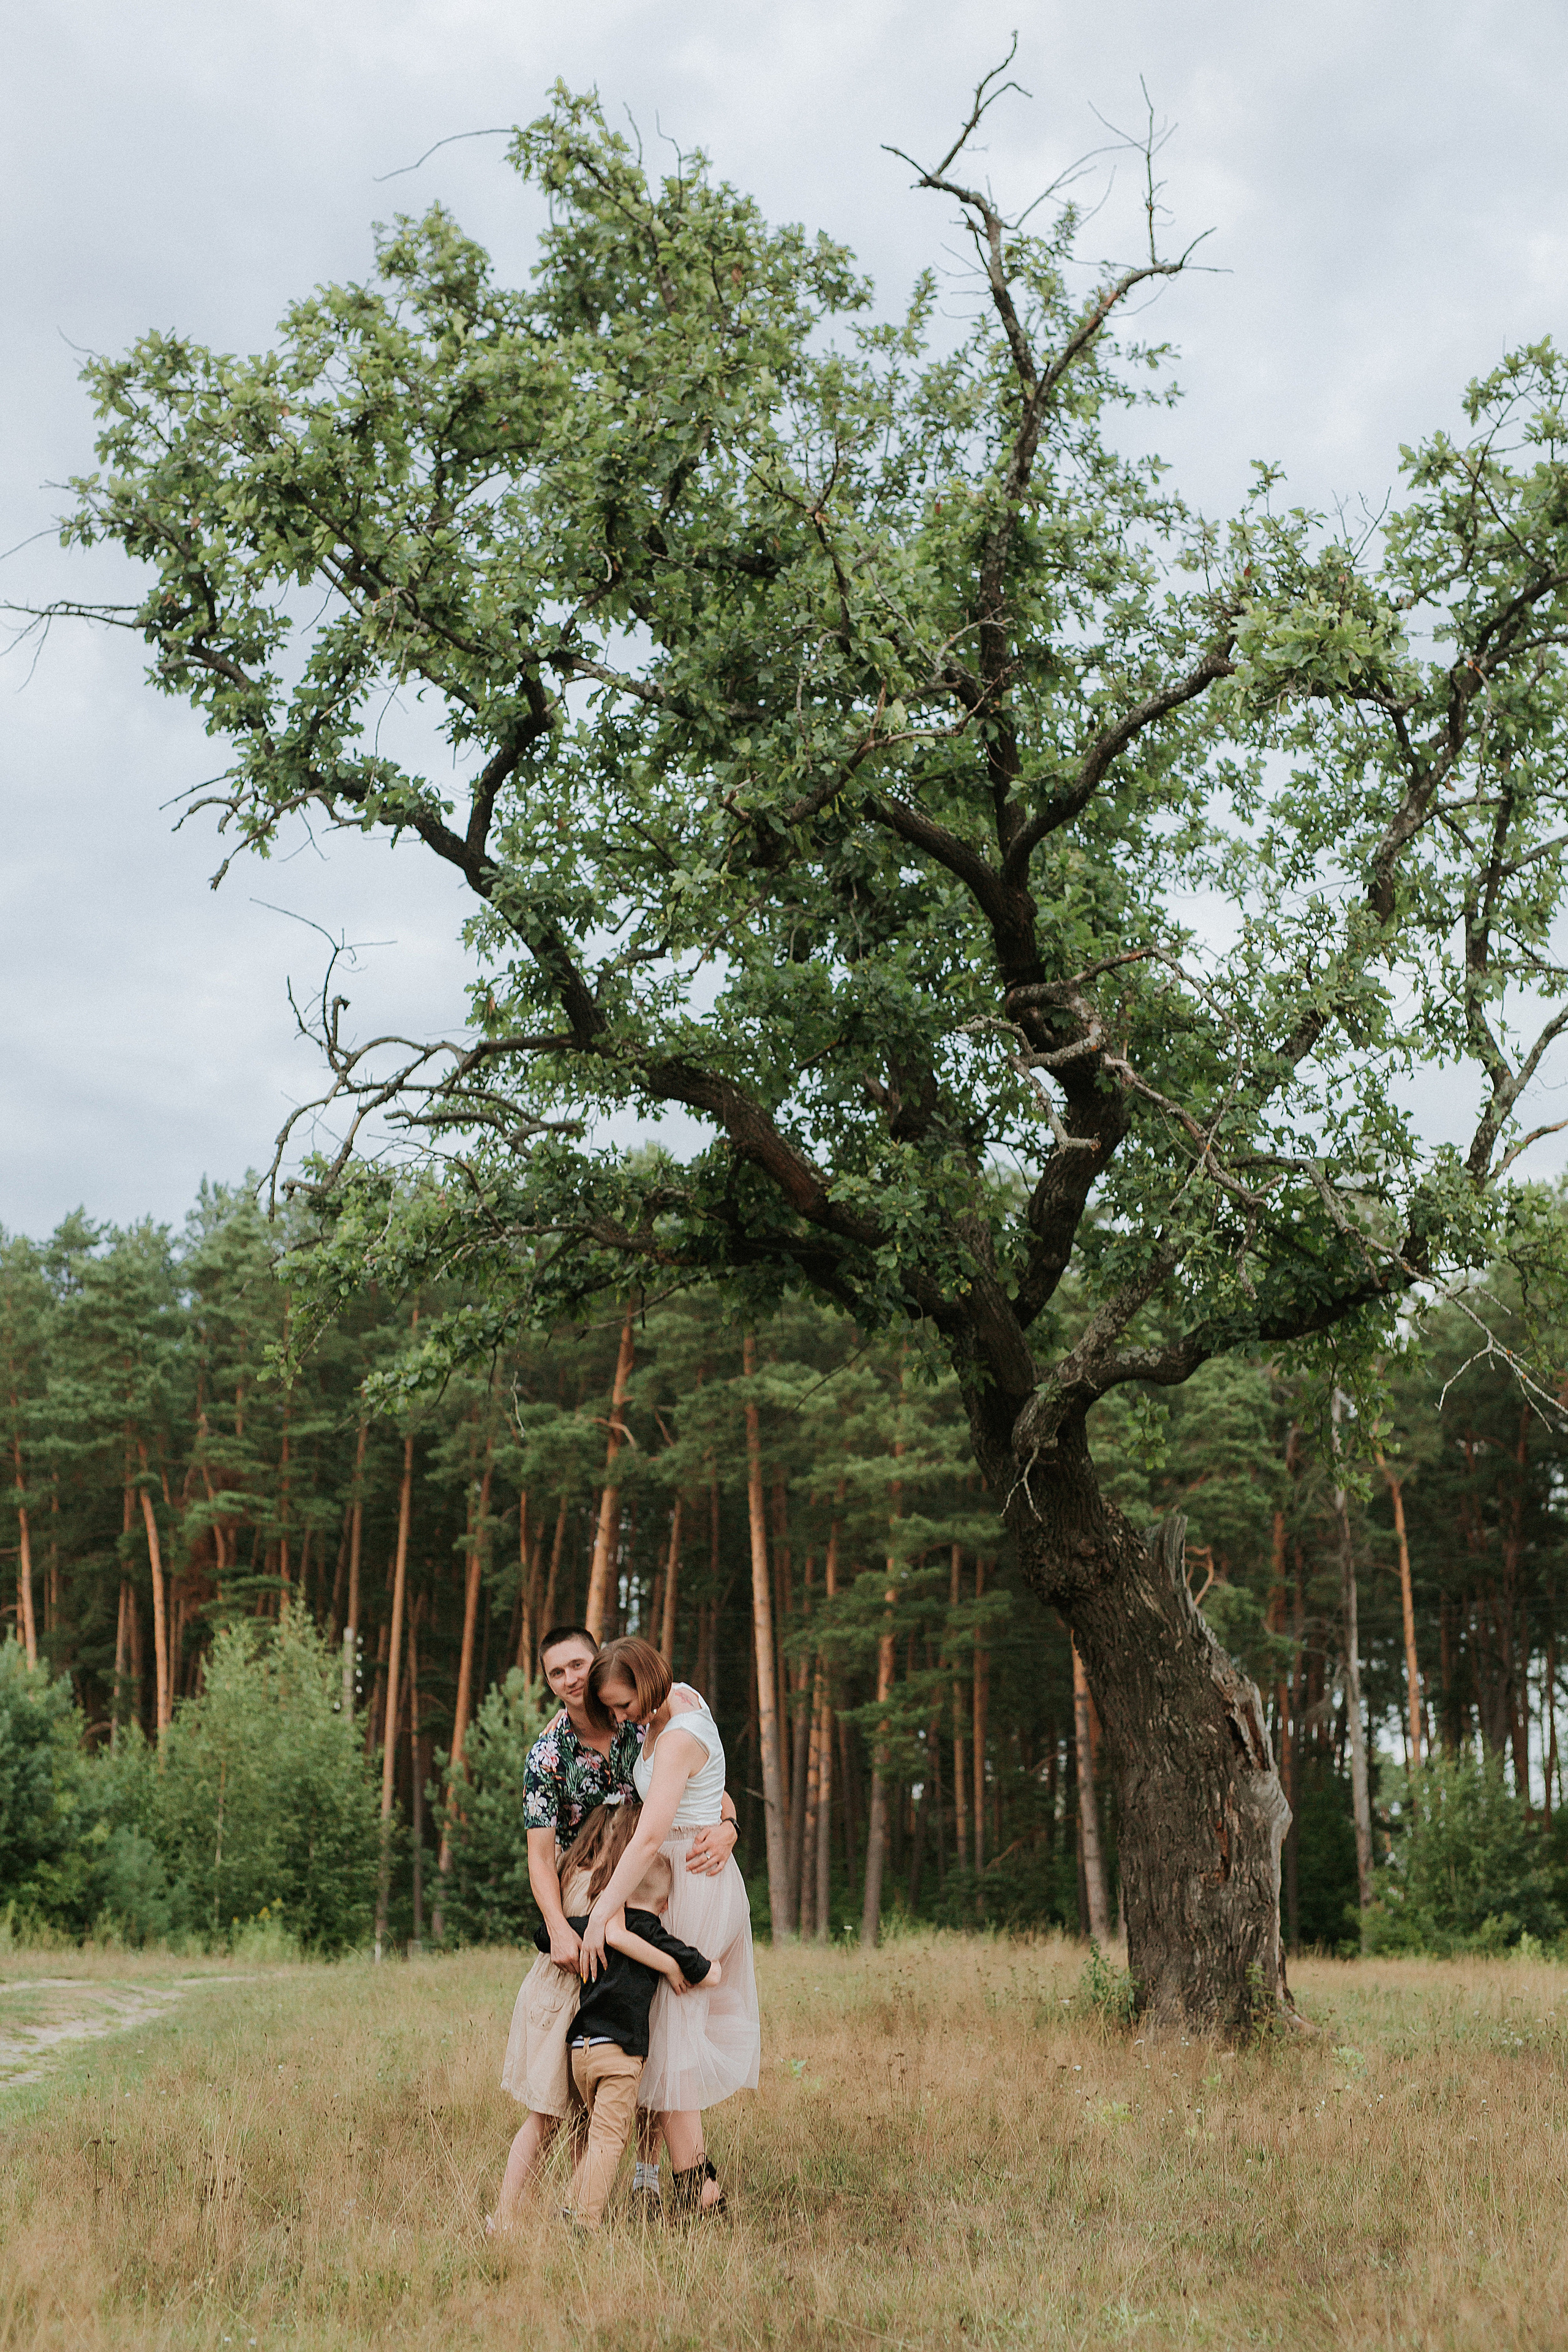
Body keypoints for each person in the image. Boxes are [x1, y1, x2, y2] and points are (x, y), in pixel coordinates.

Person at [490, 1624, 738, 2230]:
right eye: (557, 1673)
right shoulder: (549, 1754)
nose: (572, 1679)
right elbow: (539, 1855)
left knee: (651, 2033)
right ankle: (509, 2218)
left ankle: (657, 2183)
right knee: (562, 2072)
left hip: (649, 1889)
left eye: (579, 1664)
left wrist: (729, 1822)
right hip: (583, 1896)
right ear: (549, 1683)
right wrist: (558, 1926)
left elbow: (699, 1784)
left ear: (599, 1663)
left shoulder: (640, 1716)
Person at [578, 1636, 760, 2219]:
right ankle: (693, 2187)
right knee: (669, 2034)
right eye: (610, 1708)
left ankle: (701, 2195)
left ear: (648, 1682)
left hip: (691, 1878)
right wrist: (725, 1818)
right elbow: (709, 1792)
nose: (619, 1717)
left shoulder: (679, 1732)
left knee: (674, 2036)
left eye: (623, 1704)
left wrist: (605, 1906)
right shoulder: (678, 1701)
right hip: (682, 1869)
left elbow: (652, 1834)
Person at [540, 1795, 720, 2227]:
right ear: (662, 1905)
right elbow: (707, 1974)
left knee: (596, 2132)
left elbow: (544, 1937)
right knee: (609, 2138)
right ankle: (580, 2219)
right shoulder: (657, 1937)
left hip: (581, 2050)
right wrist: (712, 1966)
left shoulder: (596, 1928)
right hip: (620, 2054)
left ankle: (571, 2204)